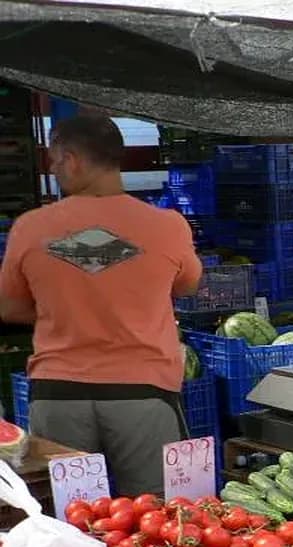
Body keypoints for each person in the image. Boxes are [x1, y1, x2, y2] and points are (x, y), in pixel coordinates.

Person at [0, 115, 202, 495]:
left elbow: (9, 308)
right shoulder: (168, 225)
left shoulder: (30, 227)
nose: (55, 170)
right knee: (154, 518)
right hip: (143, 393)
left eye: (56, 162)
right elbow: (188, 287)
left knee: (72, 521)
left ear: (72, 158)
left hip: (59, 395)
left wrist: (64, 309)